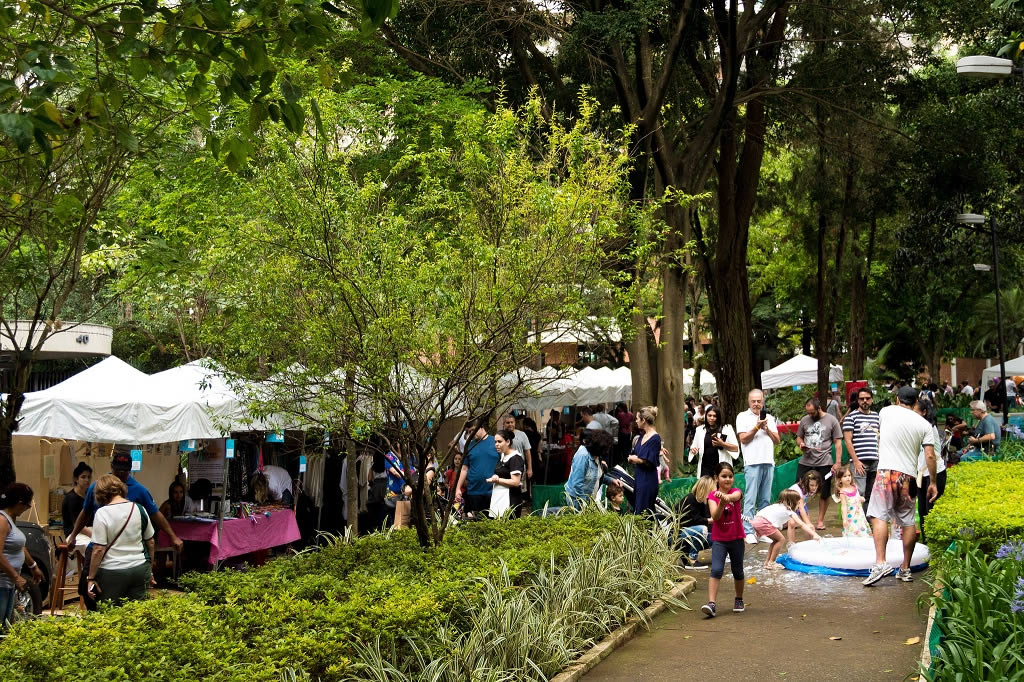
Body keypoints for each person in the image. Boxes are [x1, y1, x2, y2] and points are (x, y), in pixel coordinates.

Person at [65, 452, 182, 608]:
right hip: (128, 564)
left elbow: (156, 515)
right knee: (92, 594)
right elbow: (85, 514)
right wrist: (73, 536)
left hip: (112, 564)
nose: (121, 475)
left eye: (125, 471)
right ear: (111, 467)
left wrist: (172, 536)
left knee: (106, 605)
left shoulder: (139, 491)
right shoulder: (97, 486)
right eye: (118, 471)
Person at [863, 386, 937, 587]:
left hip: (886, 473)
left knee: (879, 516)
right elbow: (930, 455)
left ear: (897, 398)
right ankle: (905, 568)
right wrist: (933, 482)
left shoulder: (885, 412)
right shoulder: (924, 425)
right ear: (916, 402)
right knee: (908, 522)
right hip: (909, 478)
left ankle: (881, 563)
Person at [86, 474, 156, 606]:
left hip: (112, 572)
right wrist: (149, 570)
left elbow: (98, 549)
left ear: (100, 494)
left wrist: (91, 578)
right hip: (140, 569)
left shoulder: (102, 513)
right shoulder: (139, 509)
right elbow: (150, 542)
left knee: (110, 615)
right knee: (137, 614)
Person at [701, 462, 745, 617]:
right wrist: (722, 503)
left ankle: (739, 599)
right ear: (716, 478)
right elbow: (715, 516)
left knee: (738, 571)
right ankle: (711, 604)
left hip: (737, 538)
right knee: (716, 569)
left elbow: (735, 496)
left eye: (730, 476)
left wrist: (727, 497)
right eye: (724, 476)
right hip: (719, 540)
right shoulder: (712, 496)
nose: (727, 479)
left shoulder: (736, 492)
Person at [736, 389, 780, 542]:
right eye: (753, 401)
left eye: (759, 401)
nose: (756, 404)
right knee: (750, 499)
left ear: (763, 401)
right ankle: (748, 531)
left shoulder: (769, 418)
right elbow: (743, 439)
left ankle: (762, 531)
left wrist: (766, 428)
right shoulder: (742, 416)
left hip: (768, 461)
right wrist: (756, 427)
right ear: (749, 402)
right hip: (752, 462)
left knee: (765, 499)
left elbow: (777, 440)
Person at [0, 484, 45, 628]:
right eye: (27, 504)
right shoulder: (2, 521)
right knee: (1, 624)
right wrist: (16, 577)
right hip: (2, 582)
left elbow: (19, 546)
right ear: (19, 503)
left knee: (6, 626)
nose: (29, 507)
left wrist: (33, 566)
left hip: (8, 583)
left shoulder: (10, 519)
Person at [796, 398, 843, 530]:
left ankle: (820, 521)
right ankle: (802, 520)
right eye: (808, 413)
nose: (809, 415)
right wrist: (801, 443)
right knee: (798, 489)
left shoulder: (832, 420)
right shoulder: (805, 420)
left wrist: (837, 462)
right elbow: (799, 437)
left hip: (824, 461)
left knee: (824, 492)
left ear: (819, 408)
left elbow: (838, 443)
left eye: (812, 412)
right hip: (806, 460)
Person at [752, 489, 821, 569]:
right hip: (763, 522)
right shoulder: (789, 511)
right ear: (792, 503)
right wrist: (814, 534)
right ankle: (771, 563)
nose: (799, 505)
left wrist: (757, 529)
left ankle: (767, 563)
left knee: (776, 541)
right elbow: (802, 524)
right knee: (781, 539)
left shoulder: (777, 506)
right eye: (798, 503)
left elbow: (763, 514)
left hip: (757, 520)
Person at [914, 397, 946, 542]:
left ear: (924, 412)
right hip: (921, 473)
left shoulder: (928, 427)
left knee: (930, 510)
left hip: (934, 472)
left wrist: (933, 481)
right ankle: (926, 544)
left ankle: (934, 545)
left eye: (915, 412)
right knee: (922, 511)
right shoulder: (915, 427)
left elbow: (932, 455)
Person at [843, 387, 880, 508]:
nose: (865, 401)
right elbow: (848, 441)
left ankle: (869, 520)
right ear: (858, 401)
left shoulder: (876, 416)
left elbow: (879, 437)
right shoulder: (851, 417)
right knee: (860, 492)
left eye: (867, 398)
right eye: (862, 399)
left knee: (872, 493)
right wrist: (856, 461)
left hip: (875, 460)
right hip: (860, 461)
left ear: (872, 400)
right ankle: (858, 521)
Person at [455, 421, 499, 514]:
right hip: (474, 491)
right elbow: (464, 469)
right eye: (468, 432)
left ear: (481, 427)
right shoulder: (469, 446)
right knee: (476, 523)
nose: (471, 434)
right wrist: (458, 488)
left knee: (494, 523)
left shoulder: (496, 442)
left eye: (472, 430)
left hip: (494, 491)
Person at [564, 430, 613, 509]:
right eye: (606, 448)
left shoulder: (597, 456)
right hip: (577, 502)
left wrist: (611, 481)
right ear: (599, 447)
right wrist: (584, 504)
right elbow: (577, 484)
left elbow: (597, 475)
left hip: (588, 500)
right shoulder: (583, 456)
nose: (607, 451)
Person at [627, 406, 661, 515]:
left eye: (637, 418)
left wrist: (635, 459)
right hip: (639, 476)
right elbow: (637, 453)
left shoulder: (655, 438)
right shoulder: (642, 436)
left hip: (648, 479)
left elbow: (648, 460)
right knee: (640, 508)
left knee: (644, 511)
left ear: (644, 420)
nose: (636, 421)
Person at [688, 406, 739, 479]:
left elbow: (736, 448)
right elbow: (694, 447)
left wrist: (722, 444)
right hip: (705, 468)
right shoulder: (700, 430)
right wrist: (693, 450)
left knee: (721, 490)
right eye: (709, 415)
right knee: (706, 490)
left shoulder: (727, 428)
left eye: (714, 416)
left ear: (718, 417)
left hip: (721, 468)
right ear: (706, 416)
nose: (712, 418)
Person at [677, 476, 714, 569]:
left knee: (716, 537)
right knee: (702, 529)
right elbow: (696, 520)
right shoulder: (690, 499)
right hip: (679, 534)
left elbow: (705, 519)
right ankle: (692, 558)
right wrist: (710, 521)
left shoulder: (702, 502)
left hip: (691, 533)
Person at [488, 429, 525, 518]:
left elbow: (516, 482)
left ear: (508, 442)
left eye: (499, 441)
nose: (496, 444)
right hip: (499, 498)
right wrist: (496, 476)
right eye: (495, 442)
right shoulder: (503, 455)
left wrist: (497, 480)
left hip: (510, 500)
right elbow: (503, 472)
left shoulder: (515, 458)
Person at [831, 465, 869, 538]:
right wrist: (844, 519)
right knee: (853, 531)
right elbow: (844, 506)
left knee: (862, 529)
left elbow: (858, 497)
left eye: (849, 475)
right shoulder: (842, 492)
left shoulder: (855, 486)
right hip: (851, 516)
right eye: (845, 476)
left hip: (859, 515)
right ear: (840, 479)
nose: (848, 478)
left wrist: (861, 499)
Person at [786, 471, 822, 545]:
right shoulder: (798, 490)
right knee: (792, 523)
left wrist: (808, 524)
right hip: (790, 506)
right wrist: (808, 523)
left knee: (809, 526)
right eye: (812, 485)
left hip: (802, 504)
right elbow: (801, 509)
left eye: (816, 485)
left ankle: (808, 545)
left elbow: (802, 505)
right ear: (806, 483)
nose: (814, 488)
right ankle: (791, 546)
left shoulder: (812, 488)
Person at [501, 414, 533, 485]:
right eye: (508, 422)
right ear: (504, 424)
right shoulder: (500, 436)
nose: (510, 424)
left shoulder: (522, 435)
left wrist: (530, 468)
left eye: (512, 422)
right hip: (505, 468)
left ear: (515, 423)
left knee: (522, 489)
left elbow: (527, 452)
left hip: (520, 467)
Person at [62, 462, 93, 535]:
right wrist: (94, 536)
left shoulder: (89, 495)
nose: (87, 480)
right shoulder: (71, 498)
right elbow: (77, 524)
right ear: (76, 479)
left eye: (89, 477)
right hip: (75, 534)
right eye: (83, 477)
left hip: (88, 530)